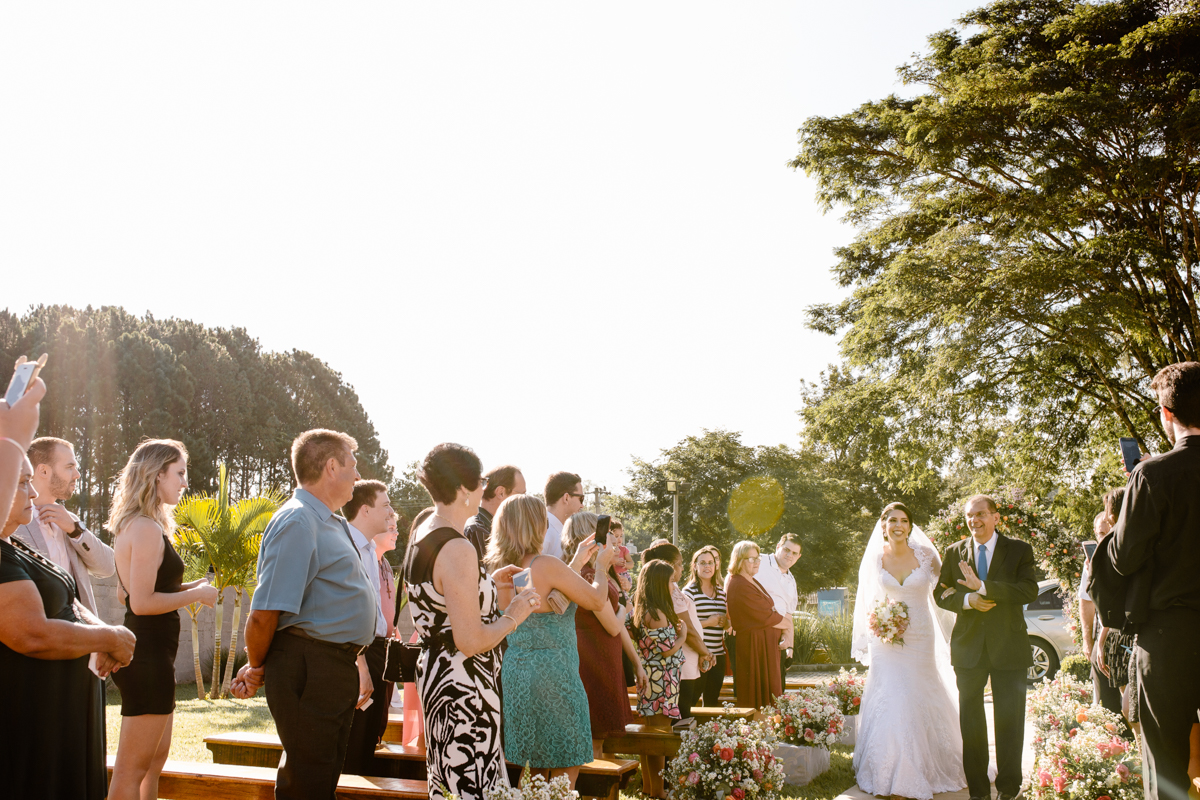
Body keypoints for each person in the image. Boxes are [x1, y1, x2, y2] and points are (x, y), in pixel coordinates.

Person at [230, 429, 378, 800]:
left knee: (319, 778)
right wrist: (257, 665)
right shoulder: (298, 521)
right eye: (353, 465)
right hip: (310, 666)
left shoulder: (331, 521)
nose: (357, 476)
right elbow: (264, 614)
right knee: (309, 783)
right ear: (331, 466)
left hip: (332, 667)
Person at [403, 443, 539, 800]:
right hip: (464, 686)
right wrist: (514, 615)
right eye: (479, 481)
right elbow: (471, 639)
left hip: (437, 675)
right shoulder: (458, 547)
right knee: (472, 785)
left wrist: (490, 586)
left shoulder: (422, 534)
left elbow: (441, 602)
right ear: (463, 490)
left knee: (449, 783)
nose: (482, 488)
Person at [1, 446, 136, 798]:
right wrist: (106, 639)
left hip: (73, 696)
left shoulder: (56, 525)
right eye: (22, 483)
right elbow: (33, 632)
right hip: (32, 717)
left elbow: (97, 575)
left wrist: (75, 530)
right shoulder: (9, 543)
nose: (31, 492)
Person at [107, 439, 220, 800]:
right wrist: (197, 595)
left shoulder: (147, 525)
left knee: (153, 763)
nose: (186, 482)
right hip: (146, 657)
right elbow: (141, 602)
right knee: (131, 772)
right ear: (157, 475)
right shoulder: (143, 528)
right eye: (180, 473)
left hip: (157, 657)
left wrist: (192, 585)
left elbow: (156, 587)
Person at [1108, 362, 1200, 800]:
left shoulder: (1152, 475)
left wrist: (1129, 509)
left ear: (1166, 414)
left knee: (1167, 765)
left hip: (1170, 635)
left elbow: (1124, 560)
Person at [488, 498, 613, 785]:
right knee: (566, 763)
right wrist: (602, 565)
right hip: (555, 672)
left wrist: (577, 561)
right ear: (537, 525)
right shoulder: (545, 564)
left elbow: (544, 599)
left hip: (519, 672)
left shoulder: (500, 568)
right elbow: (596, 599)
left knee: (534, 768)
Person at [850, 502, 966, 800]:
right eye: (892, 520)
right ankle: (889, 769)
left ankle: (930, 764)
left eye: (904, 520)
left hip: (920, 636)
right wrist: (879, 622)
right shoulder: (875, 558)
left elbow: (946, 587)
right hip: (886, 639)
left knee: (919, 691)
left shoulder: (926, 555)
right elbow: (868, 599)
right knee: (891, 694)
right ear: (883, 525)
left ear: (910, 526)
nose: (898, 525)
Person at [935, 494, 1038, 800]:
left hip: (1009, 646)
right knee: (972, 722)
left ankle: (1008, 788)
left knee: (1010, 719)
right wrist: (967, 600)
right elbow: (940, 594)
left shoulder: (1019, 549)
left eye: (981, 514)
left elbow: (1028, 590)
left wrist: (983, 587)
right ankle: (978, 792)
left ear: (996, 517)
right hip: (969, 650)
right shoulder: (955, 552)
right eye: (969, 516)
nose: (974, 521)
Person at [558, 510, 647, 759]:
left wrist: (637, 663)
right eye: (604, 533)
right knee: (594, 742)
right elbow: (613, 625)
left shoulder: (598, 572)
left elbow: (618, 629)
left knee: (600, 740)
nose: (609, 538)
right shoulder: (586, 575)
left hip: (604, 658)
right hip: (593, 661)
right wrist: (625, 609)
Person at [13, 437, 115, 614]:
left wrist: (75, 530)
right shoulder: (13, 523)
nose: (77, 474)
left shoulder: (71, 521)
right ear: (43, 471)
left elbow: (108, 567)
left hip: (79, 634)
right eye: (69, 467)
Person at [342, 479, 396, 777]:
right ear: (365, 510)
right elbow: (348, 610)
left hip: (374, 651)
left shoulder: (368, 550)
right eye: (385, 505)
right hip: (355, 653)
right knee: (352, 740)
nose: (391, 513)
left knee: (367, 741)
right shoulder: (344, 545)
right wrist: (360, 660)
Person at [626, 559, 687, 799]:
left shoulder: (644, 609)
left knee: (649, 735)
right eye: (671, 581)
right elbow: (668, 649)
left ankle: (650, 787)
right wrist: (682, 635)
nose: (674, 585)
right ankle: (658, 791)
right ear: (660, 583)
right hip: (661, 679)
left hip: (653, 678)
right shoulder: (657, 612)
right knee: (659, 736)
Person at [642, 541, 711, 723]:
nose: (682, 568)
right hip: (683, 665)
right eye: (680, 564)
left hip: (686, 662)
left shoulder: (672, 590)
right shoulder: (670, 592)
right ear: (669, 565)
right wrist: (706, 652)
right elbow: (687, 630)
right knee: (680, 720)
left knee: (683, 717)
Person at [725, 540, 789, 709]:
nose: (756, 563)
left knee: (770, 695)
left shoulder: (751, 580)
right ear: (739, 560)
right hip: (754, 647)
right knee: (758, 695)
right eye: (750, 559)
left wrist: (785, 624)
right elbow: (766, 616)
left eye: (757, 558)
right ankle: (759, 731)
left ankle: (768, 730)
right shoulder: (739, 584)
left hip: (764, 646)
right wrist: (787, 624)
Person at [1079, 504, 1123, 715]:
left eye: (1108, 533)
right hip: (1101, 636)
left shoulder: (1123, 558)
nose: (1104, 539)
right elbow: (1086, 602)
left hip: (1121, 635)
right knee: (1105, 702)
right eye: (1100, 534)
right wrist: (1088, 640)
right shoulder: (1091, 562)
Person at [683, 545, 729, 708]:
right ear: (695, 566)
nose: (707, 566)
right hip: (699, 654)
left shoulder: (721, 592)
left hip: (718, 655)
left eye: (710, 562)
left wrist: (725, 622)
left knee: (711, 702)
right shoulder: (689, 592)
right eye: (702, 563)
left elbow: (725, 623)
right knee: (693, 701)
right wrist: (709, 622)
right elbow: (684, 625)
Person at [754, 532, 801, 673]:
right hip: (753, 633)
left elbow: (788, 615)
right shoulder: (759, 561)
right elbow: (732, 576)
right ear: (778, 546)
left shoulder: (791, 582)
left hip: (776, 639)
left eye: (794, 553)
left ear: (798, 557)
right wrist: (730, 614)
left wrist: (790, 647)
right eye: (786, 550)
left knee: (777, 688)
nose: (789, 555)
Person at [463, 464, 524, 562]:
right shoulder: (478, 530)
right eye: (521, 495)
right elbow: (490, 575)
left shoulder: (496, 527)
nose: (524, 501)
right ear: (501, 492)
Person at [540, 471, 584, 558]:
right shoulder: (543, 532)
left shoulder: (557, 530)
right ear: (566, 498)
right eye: (581, 499)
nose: (582, 505)